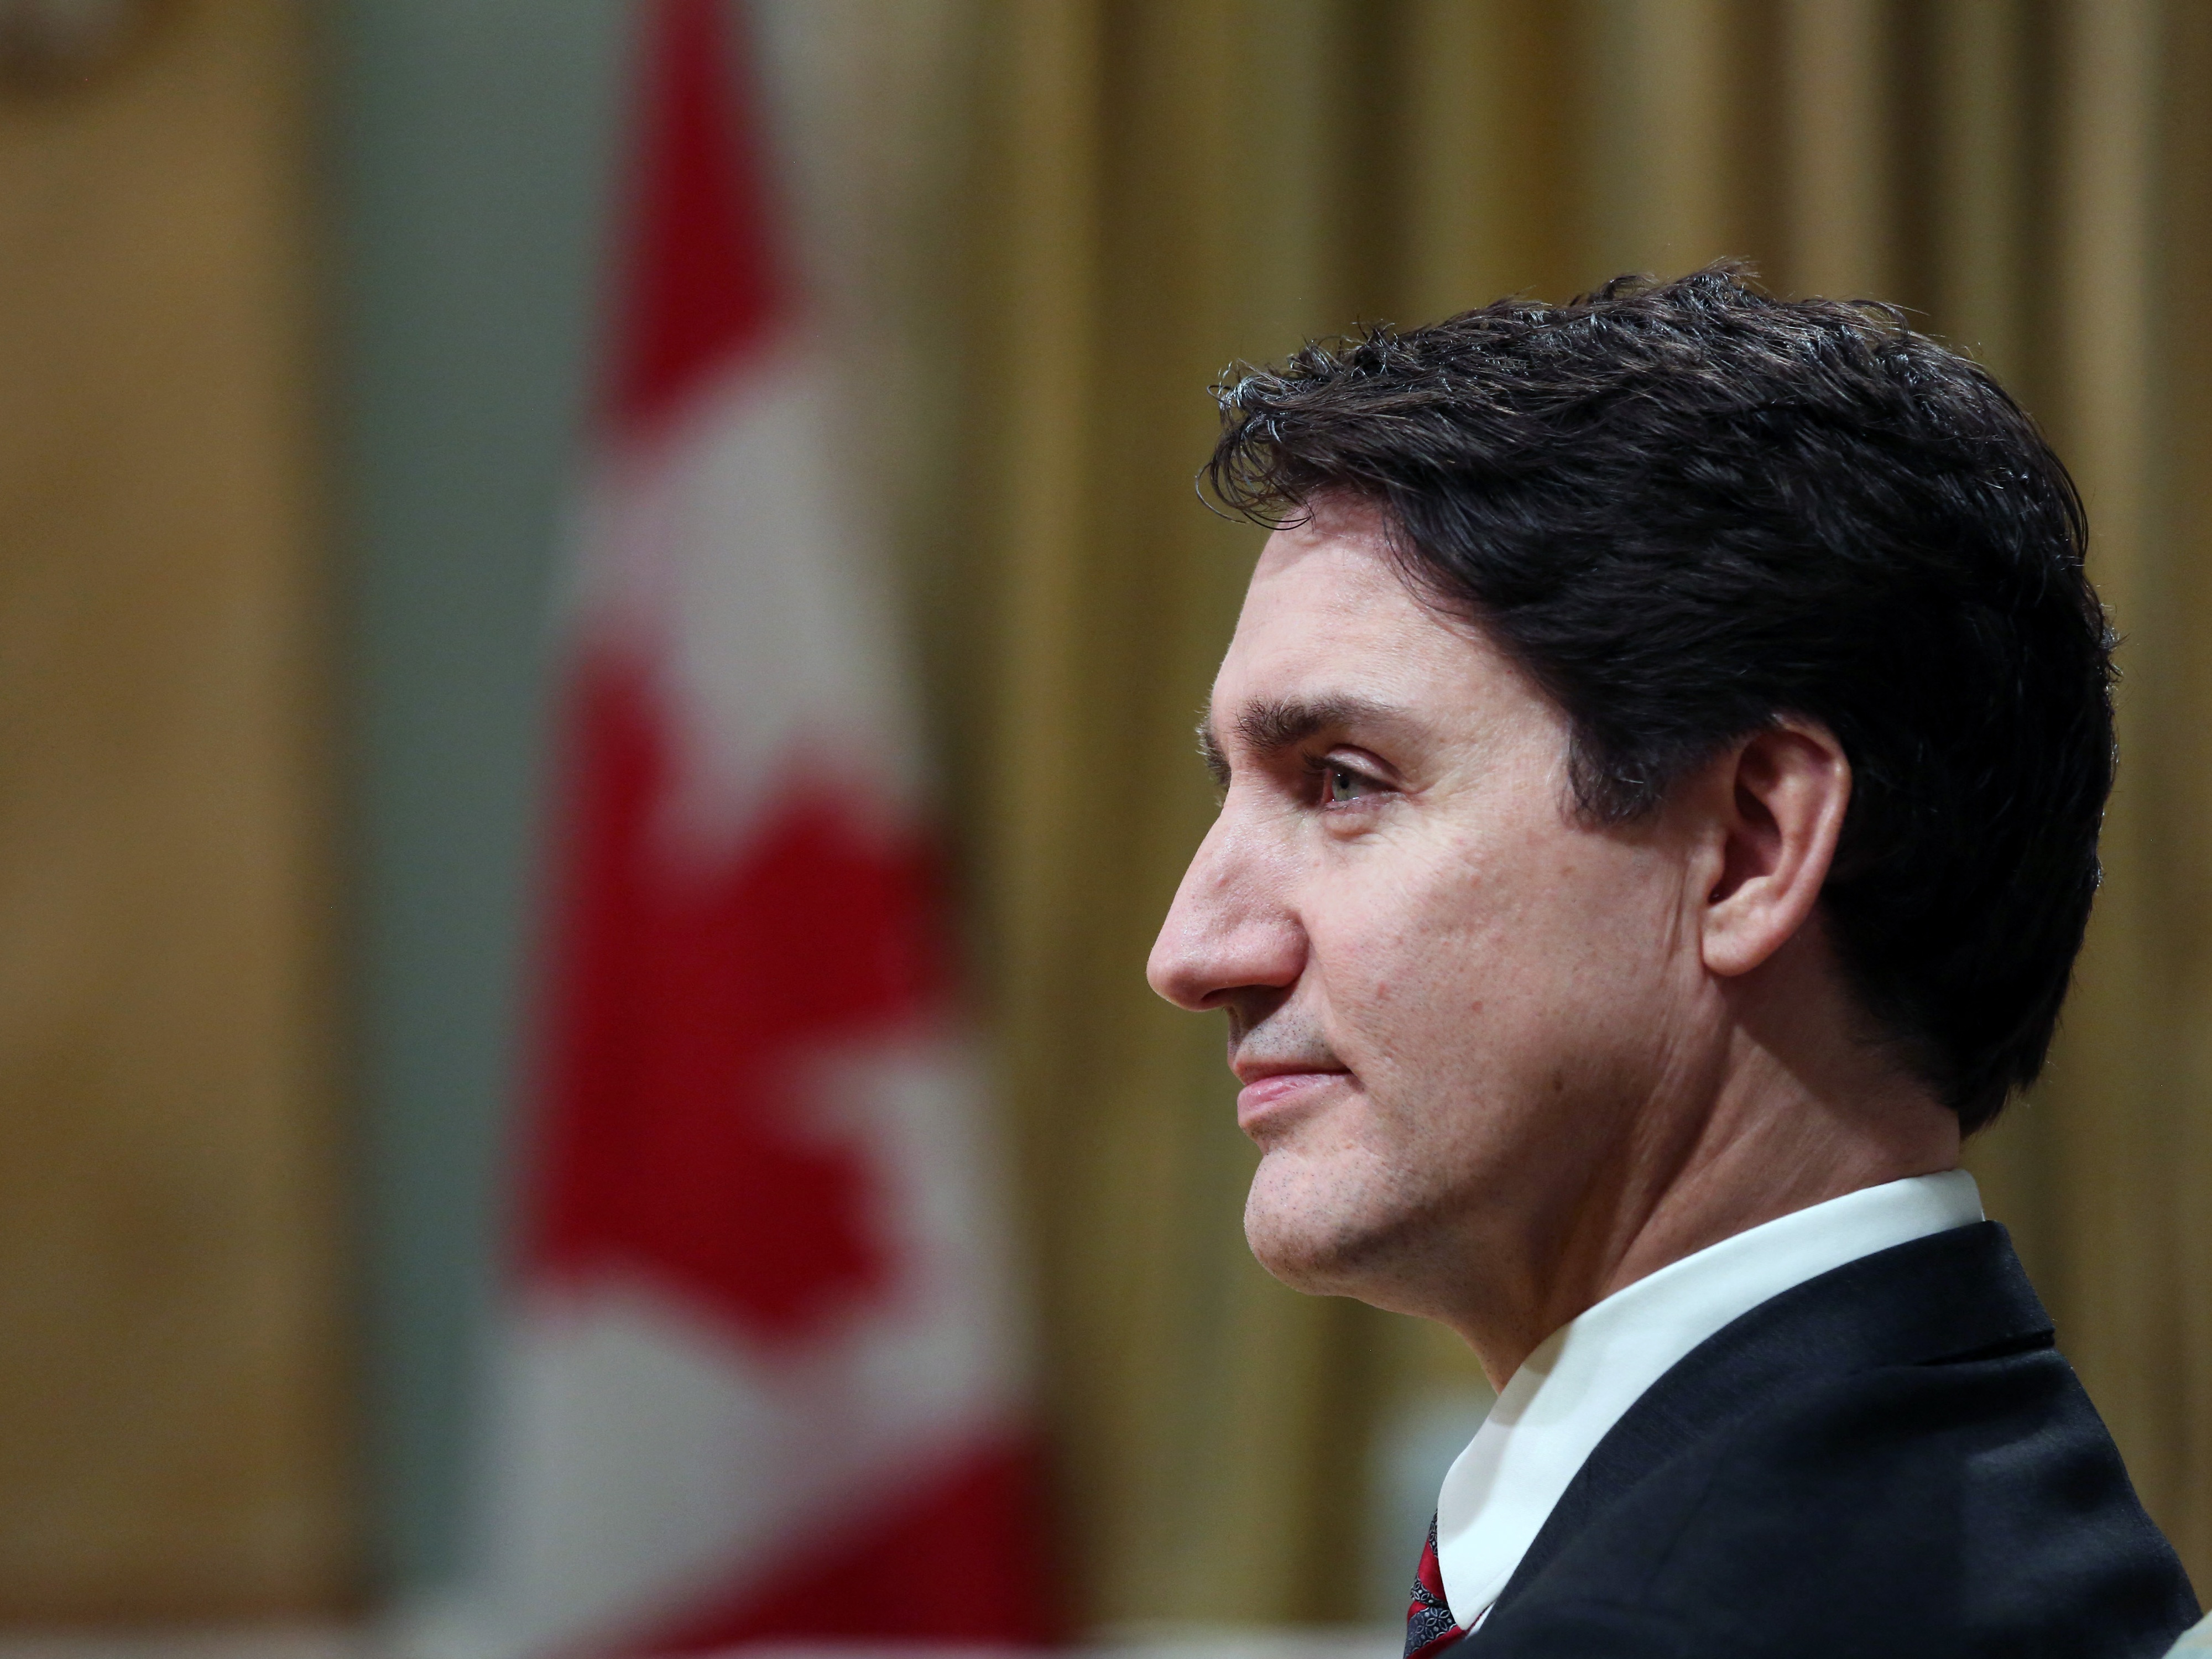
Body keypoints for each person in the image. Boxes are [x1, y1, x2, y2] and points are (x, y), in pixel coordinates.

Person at [1146, 265, 2198, 1657]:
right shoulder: (1992, 1534)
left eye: (1342, 781)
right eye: (1229, 789)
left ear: (1753, 846)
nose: (1194, 950)